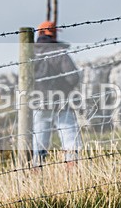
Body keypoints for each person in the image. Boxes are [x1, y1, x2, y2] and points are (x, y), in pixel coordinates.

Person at [31, 20, 83, 166]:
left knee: (39, 140)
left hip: (38, 103)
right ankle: (71, 169)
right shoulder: (60, 53)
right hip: (60, 102)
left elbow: (24, 80)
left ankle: (36, 170)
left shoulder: (29, 54)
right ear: (52, 34)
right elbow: (73, 77)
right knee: (69, 136)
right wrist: (63, 89)